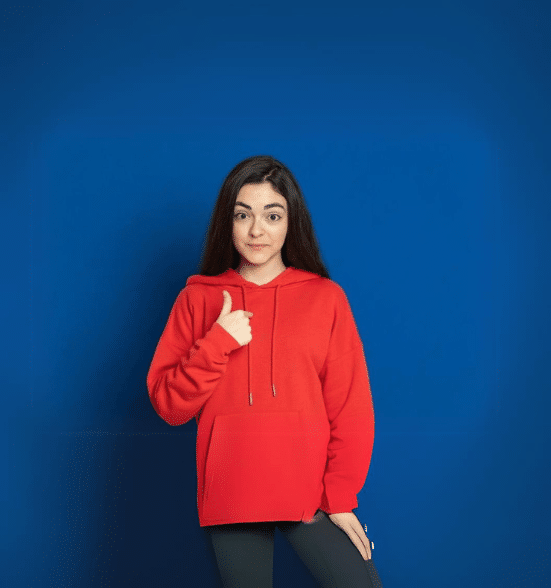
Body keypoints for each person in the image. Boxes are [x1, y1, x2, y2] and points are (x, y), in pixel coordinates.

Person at [146, 155, 382, 587]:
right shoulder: (198, 300)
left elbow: (351, 407)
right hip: (233, 489)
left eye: (272, 215)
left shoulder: (325, 298)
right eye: (243, 215)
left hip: (311, 492)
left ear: (291, 222)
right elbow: (168, 404)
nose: (257, 231)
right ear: (228, 221)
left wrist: (341, 496)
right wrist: (217, 341)